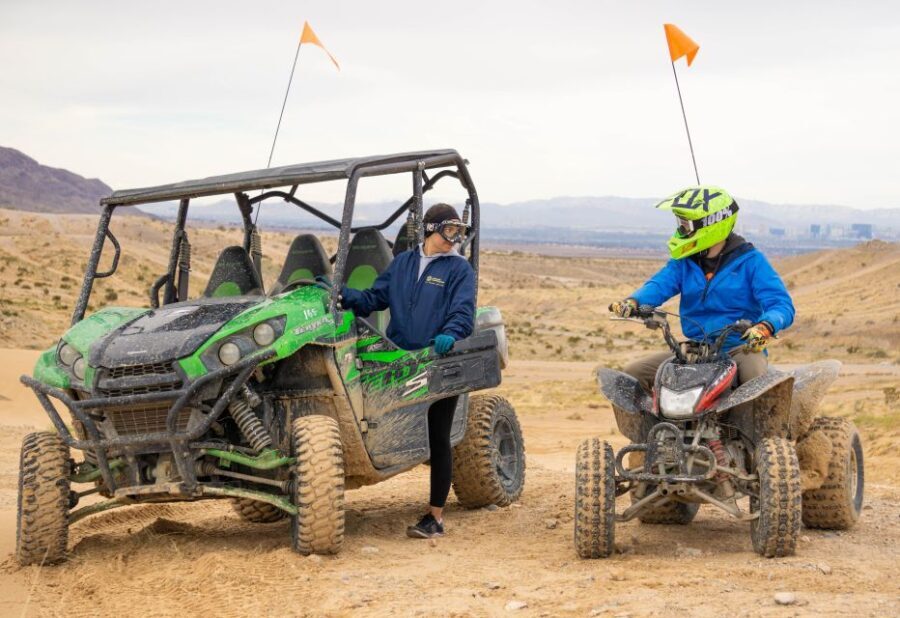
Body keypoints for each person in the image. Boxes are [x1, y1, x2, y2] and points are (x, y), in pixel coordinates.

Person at [339, 203, 475, 539]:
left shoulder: (459, 269)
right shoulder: (403, 264)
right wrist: (342, 295)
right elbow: (374, 298)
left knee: (438, 437)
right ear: (430, 229)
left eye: (459, 232)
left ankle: (435, 517)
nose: (454, 239)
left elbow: (463, 310)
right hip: (400, 361)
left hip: (438, 360)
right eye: (449, 231)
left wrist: (452, 333)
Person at [610, 186, 795, 392]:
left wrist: (765, 326)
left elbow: (781, 305)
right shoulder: (684, 262)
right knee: (632, 374)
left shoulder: (751, 262)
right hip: (695, 350)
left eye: (686, 225)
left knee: (754, 380)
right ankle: (655, 425)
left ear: (711, 224)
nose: (681, 230)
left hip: (739, 349)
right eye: (680, 224)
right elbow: (659, 284)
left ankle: (764, 425)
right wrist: (633, 302)